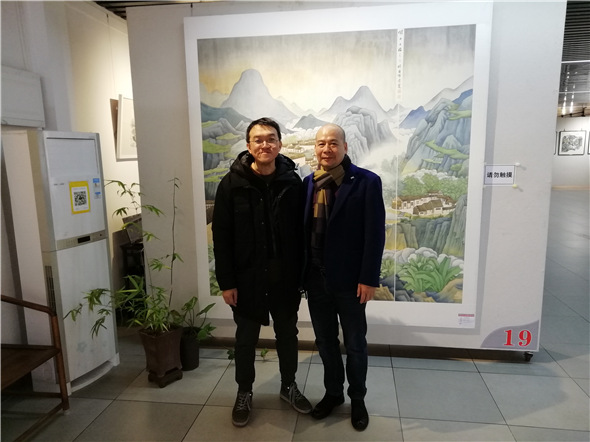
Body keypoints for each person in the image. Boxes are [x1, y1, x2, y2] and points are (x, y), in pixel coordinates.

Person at [212, 117, 312, 427]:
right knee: (245, 339)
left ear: (280, 144)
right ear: (248, 145)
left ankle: (288, 385)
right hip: (247, 277)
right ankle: (244, 391)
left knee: (287, 335)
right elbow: (221, 237)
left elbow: (302, 234)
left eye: (271, 139)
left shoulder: (292, 183)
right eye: (258, 139)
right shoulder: (231, 185)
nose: (265, 144)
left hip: (284, 277)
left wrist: (302, 276)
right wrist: (227, 282)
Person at [303, 123, 385, 431]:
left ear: (345, 147)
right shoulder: (309, 183)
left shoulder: (366, 182)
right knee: (325, 341)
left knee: (355, 343)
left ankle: (358, 398)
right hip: (316, 280)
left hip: (351, 282)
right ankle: (334, 393)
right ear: (316, 148)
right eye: (321, 143)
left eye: (333, 143)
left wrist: (369, 278)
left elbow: (375, 235)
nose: (327, 149)